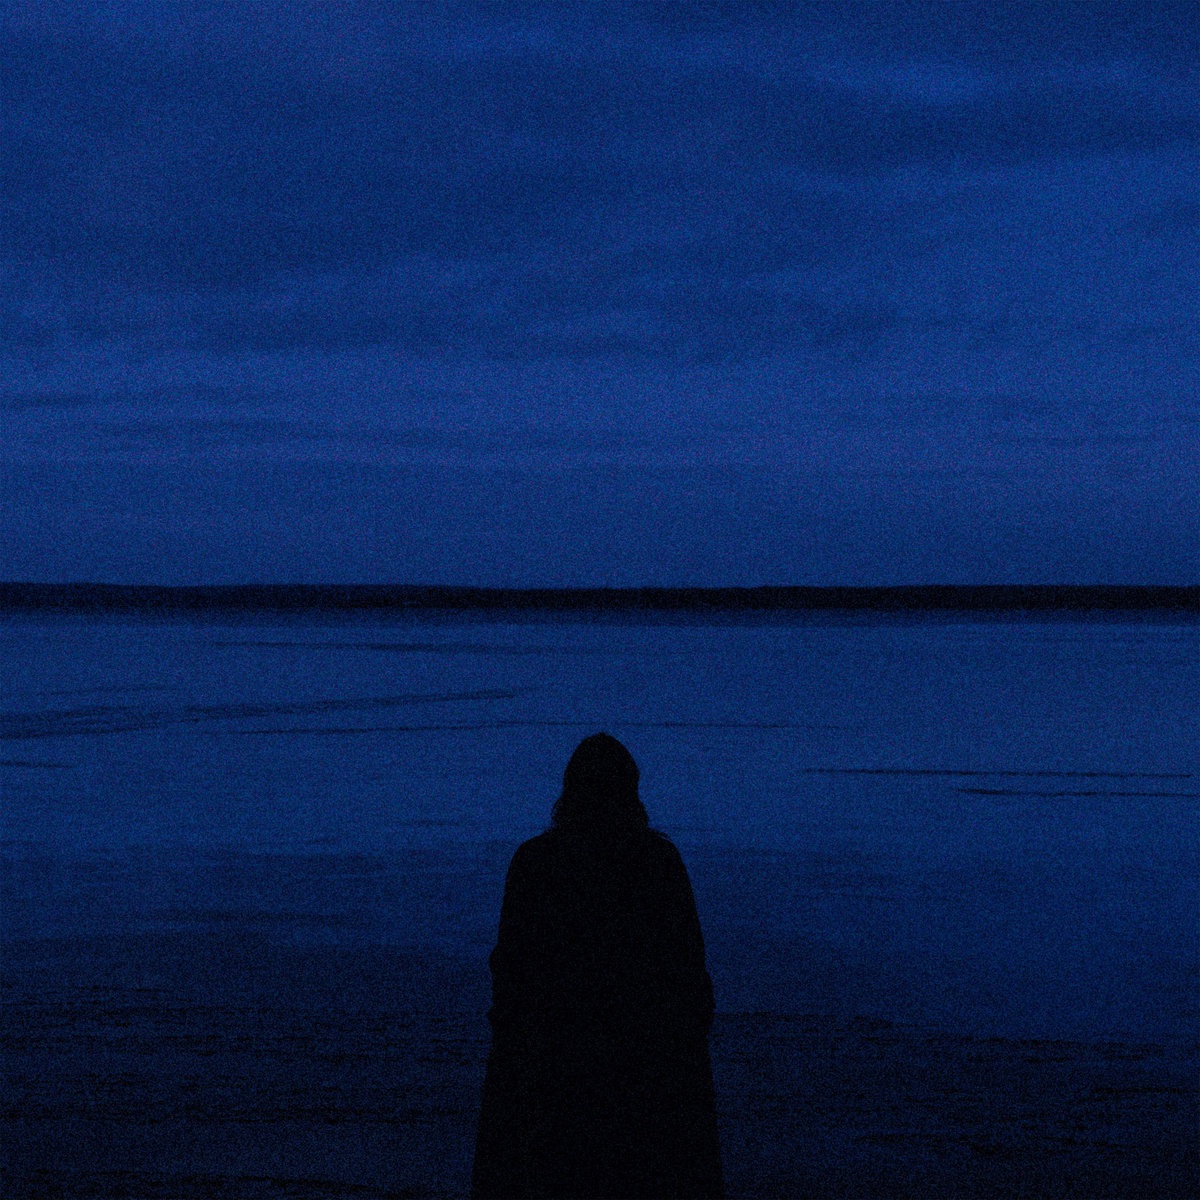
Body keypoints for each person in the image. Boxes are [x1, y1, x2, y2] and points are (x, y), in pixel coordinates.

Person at [472, 733, 723, 1199]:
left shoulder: (535, 862)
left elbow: (510, 975)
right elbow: (688, 973)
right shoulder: (658, 864)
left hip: (553, 1067)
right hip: (643, 1069)